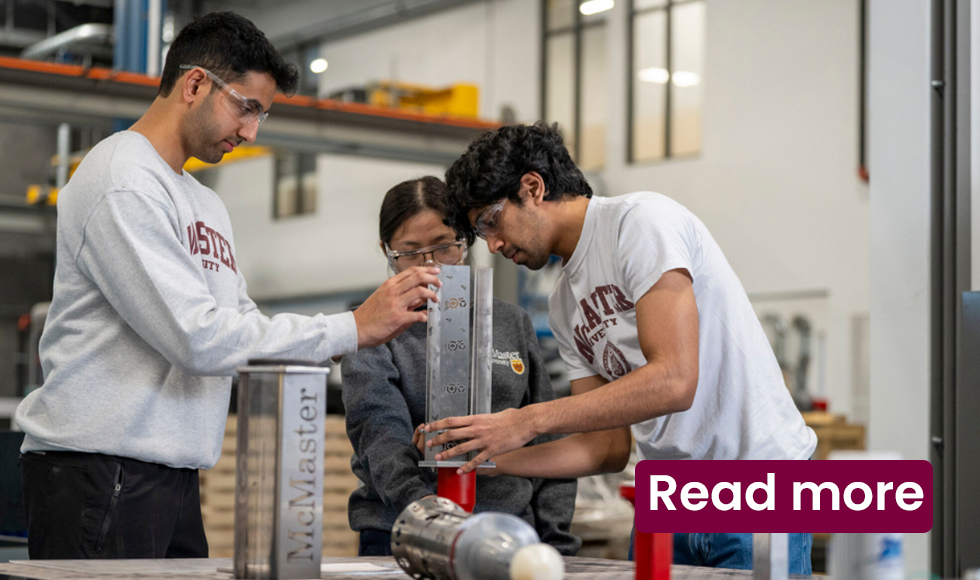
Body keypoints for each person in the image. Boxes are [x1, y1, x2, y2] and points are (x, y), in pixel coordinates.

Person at [14, 12, 440, 560]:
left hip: (172, 470)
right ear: (195, 84)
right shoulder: (121, 179)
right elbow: (197, 339)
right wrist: (351, 326)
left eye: (262, 114)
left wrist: (354, 341)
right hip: (100, 470)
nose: (251, 132)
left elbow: (244, 330)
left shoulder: (204, 203)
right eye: (247, 107)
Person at [422, 122, 817, 572]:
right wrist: (486, 457)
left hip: (757, 482)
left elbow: (675, 379)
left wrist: (524, 421)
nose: (493, 244)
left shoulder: (641, 222)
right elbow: (604, 449)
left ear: (532, 187)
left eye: (491, 222)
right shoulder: (563, 303)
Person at [341, 176, 582, 557]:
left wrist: (555, 539)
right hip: (403, 534)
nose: (429, 265)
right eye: (410, 251)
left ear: (466, 243)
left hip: (509, 533)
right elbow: (379, 441)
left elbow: (547, 433)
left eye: (444, 247)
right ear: (388, 252)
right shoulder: (370, 329)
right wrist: (437, 521)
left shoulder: (510, 323)